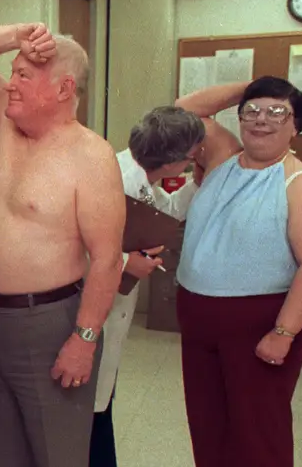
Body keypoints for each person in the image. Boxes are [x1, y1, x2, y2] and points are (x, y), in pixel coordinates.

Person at [0, 23, 125, 467]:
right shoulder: (7, 122)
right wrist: (19, 35)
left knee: (56, 454)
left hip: (49, 323)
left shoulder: (91, 156)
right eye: (12, 72)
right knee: (2, 454)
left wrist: (84, 339)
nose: (10, 83)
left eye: (24, 74)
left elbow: (107, 259)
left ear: (64, 88)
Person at [175, 76, 302, 467]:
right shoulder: (222, 157)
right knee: (208, 425)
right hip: (199, 320)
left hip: (259, 325)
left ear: (296, 126)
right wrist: (253, 86)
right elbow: (183, 111)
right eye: (252, 111)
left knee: (258, 432)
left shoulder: (301, 184)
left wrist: (283, 333)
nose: (261, 120)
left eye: (277, 112)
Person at [89, 105, 206, 467]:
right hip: (90, 308)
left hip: (110, 309)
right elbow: (75, 245)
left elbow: (165, 210)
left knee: (101, 402)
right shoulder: (115, 180)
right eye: (190, 158)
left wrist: (197, 182)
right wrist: (128, 263)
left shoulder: (138, 176)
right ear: (171, 160)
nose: (191, 161)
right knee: (91, 409)